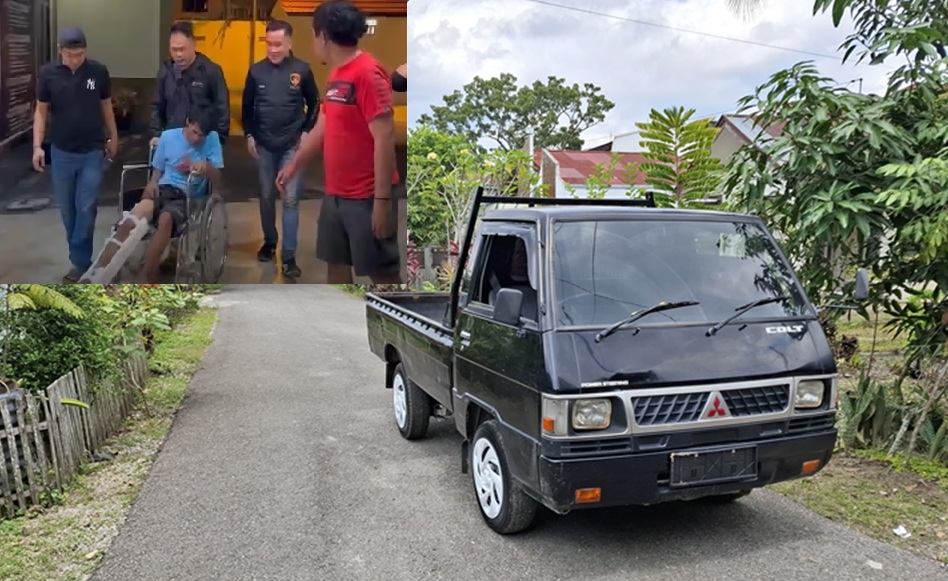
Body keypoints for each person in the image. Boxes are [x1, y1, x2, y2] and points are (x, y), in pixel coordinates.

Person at [277, 0, 401, 284]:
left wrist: (381, 202)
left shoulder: (368, 73)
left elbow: (384, 138)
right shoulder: (336, 74)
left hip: (367, 197)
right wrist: (294, 165)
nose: (313, 42)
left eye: (313, 35)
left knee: (383, 274)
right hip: (335, 194)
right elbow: (325, 123)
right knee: (336, 267)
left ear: (323, 35)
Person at [32, 27, 118, 283]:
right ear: (61, 51)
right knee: (68, 210)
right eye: (70, 55)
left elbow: (106, 105)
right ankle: (79, 257)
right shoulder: (48, 75)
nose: (75, 59)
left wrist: (113, 136)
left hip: (92, 150)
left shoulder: (98, 72)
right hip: (61, 153)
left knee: (87, 205)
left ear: (86, 51)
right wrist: (38, 146)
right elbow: (40, 112)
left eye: (80, 54)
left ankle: (80, 263)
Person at [242, 19, 319, 278]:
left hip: (292, 146)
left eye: (278, 44)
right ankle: (269, 241)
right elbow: (246, 108)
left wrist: (306, 131)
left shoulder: (303, 71)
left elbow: (315, 105)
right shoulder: (255, 72)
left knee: (290, 200)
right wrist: (250, 134)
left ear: (289, 43)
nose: (273, 49)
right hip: (264, 145)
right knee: (266, 196)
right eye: (269, 44)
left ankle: (288, 258)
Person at [137, 107, 223, 283]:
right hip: (164, 188)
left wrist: (206, 167)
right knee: (137, 214)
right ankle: (103, 268)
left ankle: (146, 274)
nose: (197, 139)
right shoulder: (168, 137)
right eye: (195, 133)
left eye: (202, 136)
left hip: (186, 194)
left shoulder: (212, 139)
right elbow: (157, 170)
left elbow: (217, 177)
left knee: (166, 219)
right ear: (188, 123)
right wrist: (152, 183)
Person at [149, 22, 229, 149]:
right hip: (173, 142)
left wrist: (220, 139)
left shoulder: (210, 71)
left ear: (193, 44)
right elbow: (157, 105)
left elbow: (222, 107)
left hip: (203, 142)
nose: (178, 55)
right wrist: (156, 134)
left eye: (182, 49)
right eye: (174, 50)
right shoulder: (165, 72)